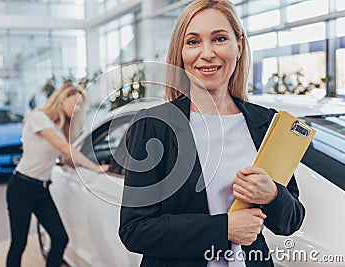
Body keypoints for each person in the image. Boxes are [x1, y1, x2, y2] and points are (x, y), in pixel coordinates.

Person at [119, 1, 305, 267]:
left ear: (238, 46)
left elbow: (292, 220)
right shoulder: (155, 125)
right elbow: (134, 230)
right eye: (193, 42)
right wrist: (223, 228)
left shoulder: (266, 123)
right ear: (181, 53)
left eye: (219, 38)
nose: (206, 53)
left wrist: (273, 195)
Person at [6, 82, 109, 267]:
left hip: (41, 189)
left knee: (60, 238)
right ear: (62, 99)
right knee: (19, 243)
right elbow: (63, 148)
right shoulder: (38, 118)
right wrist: (95, 168)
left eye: (80, 106)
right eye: (74, 103)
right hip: (21, 186)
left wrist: (79, 166)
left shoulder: (59, 129)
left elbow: (62, 155)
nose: (77, 109)